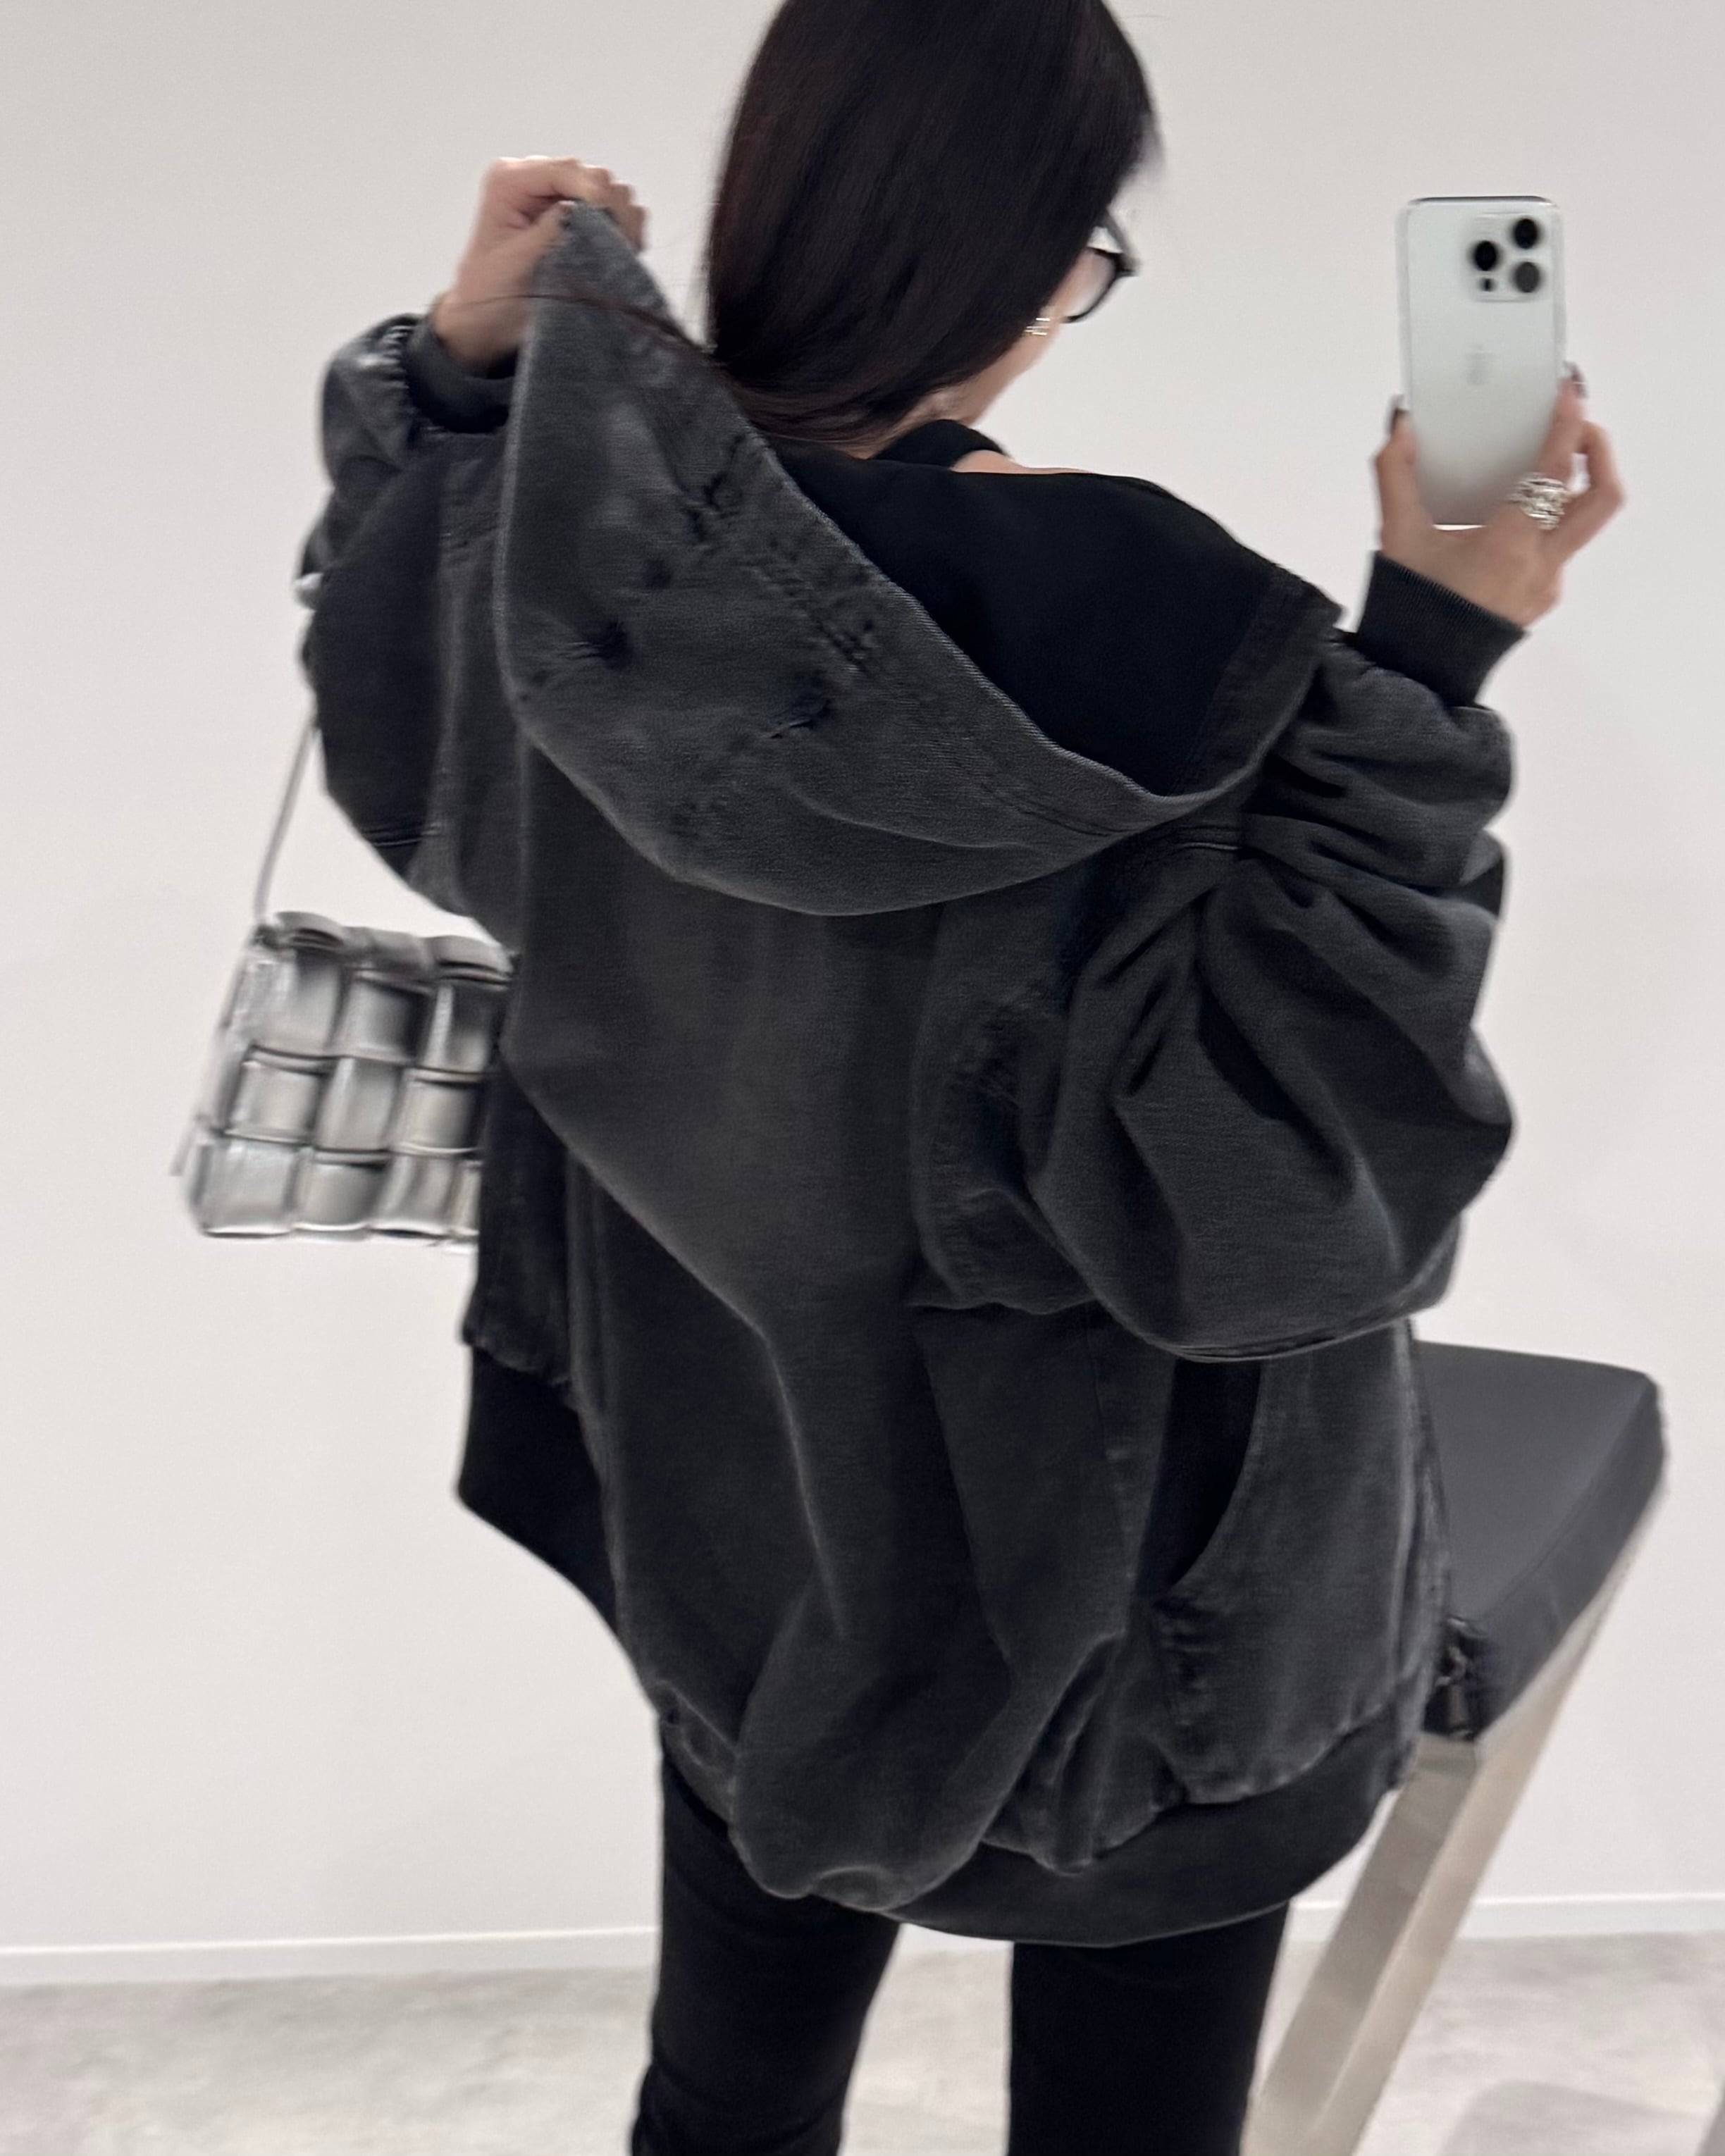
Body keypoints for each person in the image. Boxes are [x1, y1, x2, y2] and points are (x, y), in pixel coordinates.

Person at [293, 1, 1625, 2148]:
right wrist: (1436, 651)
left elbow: (395, 674)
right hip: (1130, 1620)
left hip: (733, 1494)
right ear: (1023, 257)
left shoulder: (568, 573)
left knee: (727, 2090)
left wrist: (465, 372)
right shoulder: (1141, 628)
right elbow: (1275, 1209)